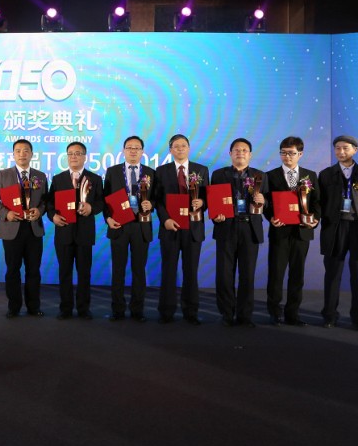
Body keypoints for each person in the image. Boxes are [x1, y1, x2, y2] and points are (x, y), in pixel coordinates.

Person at [318, 135, 358, 332]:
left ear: (355, 150)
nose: (341, 151)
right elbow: (320, 202)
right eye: (337, 148)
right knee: (332, 274)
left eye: (345, 148)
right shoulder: (326, 174)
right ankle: (329, 315)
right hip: (335, 228)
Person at [263, 136, 320, 326]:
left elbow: (317, 202)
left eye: (291, 153)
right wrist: (270, 217)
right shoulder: (270, 176)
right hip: (280, 231)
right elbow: (266, 203)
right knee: (276, 274)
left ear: (300, 154)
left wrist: (315, 220)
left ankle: (293, 313)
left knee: (297, 275)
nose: (287, 156)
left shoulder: (310, 176)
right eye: (283, 153)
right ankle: (274, 312)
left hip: (302, 232)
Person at [0, 139, 48, 318]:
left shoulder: (40, 176)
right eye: (18, 151)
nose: (22, 154)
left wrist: (40, 210)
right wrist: (5, 213)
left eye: (26, 150)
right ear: (13, 154)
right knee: (13, 269)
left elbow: (46, 200)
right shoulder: (3, 175)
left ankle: (33, 306)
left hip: (33, 229)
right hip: (11, 228)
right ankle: (13, 306)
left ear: (32, 154)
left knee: (33, 270)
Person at [210, 138, 267, 327]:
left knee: (247, 275)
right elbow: (213, 200)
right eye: (236, 150)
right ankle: (226, 314)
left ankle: (245, 316)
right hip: (226, 227)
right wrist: (216, 215)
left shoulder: (260, 176)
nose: (240, 153)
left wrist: (264, 201)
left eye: (244, 150)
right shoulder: (219, 174)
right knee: (224, 274)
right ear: (230, 154)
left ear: (250, 154)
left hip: (250, 229)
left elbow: (269, 203)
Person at [154, 134, 208, 325]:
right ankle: (166, 311)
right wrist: (165, 220)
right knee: (168, 270)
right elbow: (157, 200)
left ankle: (191, 311)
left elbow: (207, 197)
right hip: (170, 227)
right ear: (170, 150)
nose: (180, 149)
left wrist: (202, 202)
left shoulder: (201, 170)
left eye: (183, 145)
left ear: (189, 148)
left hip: (193, 228)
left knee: (191, 271)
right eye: (176, 146)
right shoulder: (161, 171)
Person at [47, 141, 104, 319]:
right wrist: (53, 216)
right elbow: (49, 204)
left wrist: (91, 208)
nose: (74, 156)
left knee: (84, 273)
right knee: (64, 272)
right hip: (64, 231)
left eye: (78, 153)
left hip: (84, 233)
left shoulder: (95, 179)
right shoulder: (58, 179)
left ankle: (83, 308)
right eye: (70, 153)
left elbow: (101, 202)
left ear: (85, 157)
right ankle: (65, 308)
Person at [103, 136, 155, 322]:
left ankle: (137, 310)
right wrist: (108, 218)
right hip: (119, 225)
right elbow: (105, 199)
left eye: (137, 148)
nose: (133, 151)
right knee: (118, 270)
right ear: (123, 151)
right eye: (129, 147)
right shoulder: (113, 172)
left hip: (141, 225)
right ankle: (117, 310)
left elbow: (157, 197)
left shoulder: (150, 173)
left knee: (139, 270)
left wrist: (151, 204)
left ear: (142, 151)